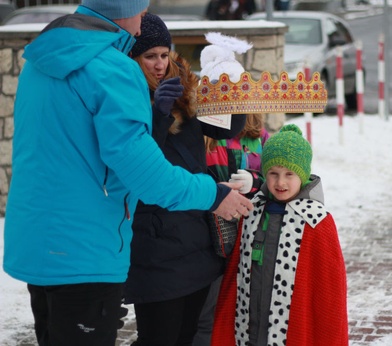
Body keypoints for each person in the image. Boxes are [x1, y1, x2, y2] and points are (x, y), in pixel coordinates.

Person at [2, 1, 252, 345]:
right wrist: (214, 194)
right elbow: (146, 174)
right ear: (122, 10)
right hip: (87, 250)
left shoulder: (43, 59)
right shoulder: (111, 69)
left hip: (41, 242)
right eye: (140, 11)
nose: (141, 23)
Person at [123, 13, 247, 345]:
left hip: (195, 238)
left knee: (188, 334)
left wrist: (231, 88)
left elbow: (226, 129)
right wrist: (157, 117)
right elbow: (139, 162)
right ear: (133, 57)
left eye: (165, 54)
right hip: (155, 244)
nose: (160, 64)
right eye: (150, 56)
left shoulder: (183, 90)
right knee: (158, 337)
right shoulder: (124, 97)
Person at [211, 124, 349, 345]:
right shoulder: (252, 210)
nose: (280, 182)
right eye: (273, 174)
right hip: (249, 320)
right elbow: (236, 269)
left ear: (302, 176)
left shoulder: (316, 220)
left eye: (289, 174)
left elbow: (329, 290)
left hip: (292, 325)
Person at [193, 113, 270, 345]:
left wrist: (254, 181)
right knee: (206, 312)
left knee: (246, 309)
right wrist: (213, 190)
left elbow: (276, 180)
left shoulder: (259, 137)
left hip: (248, 237)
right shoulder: (200, 131)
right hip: (205, 237)